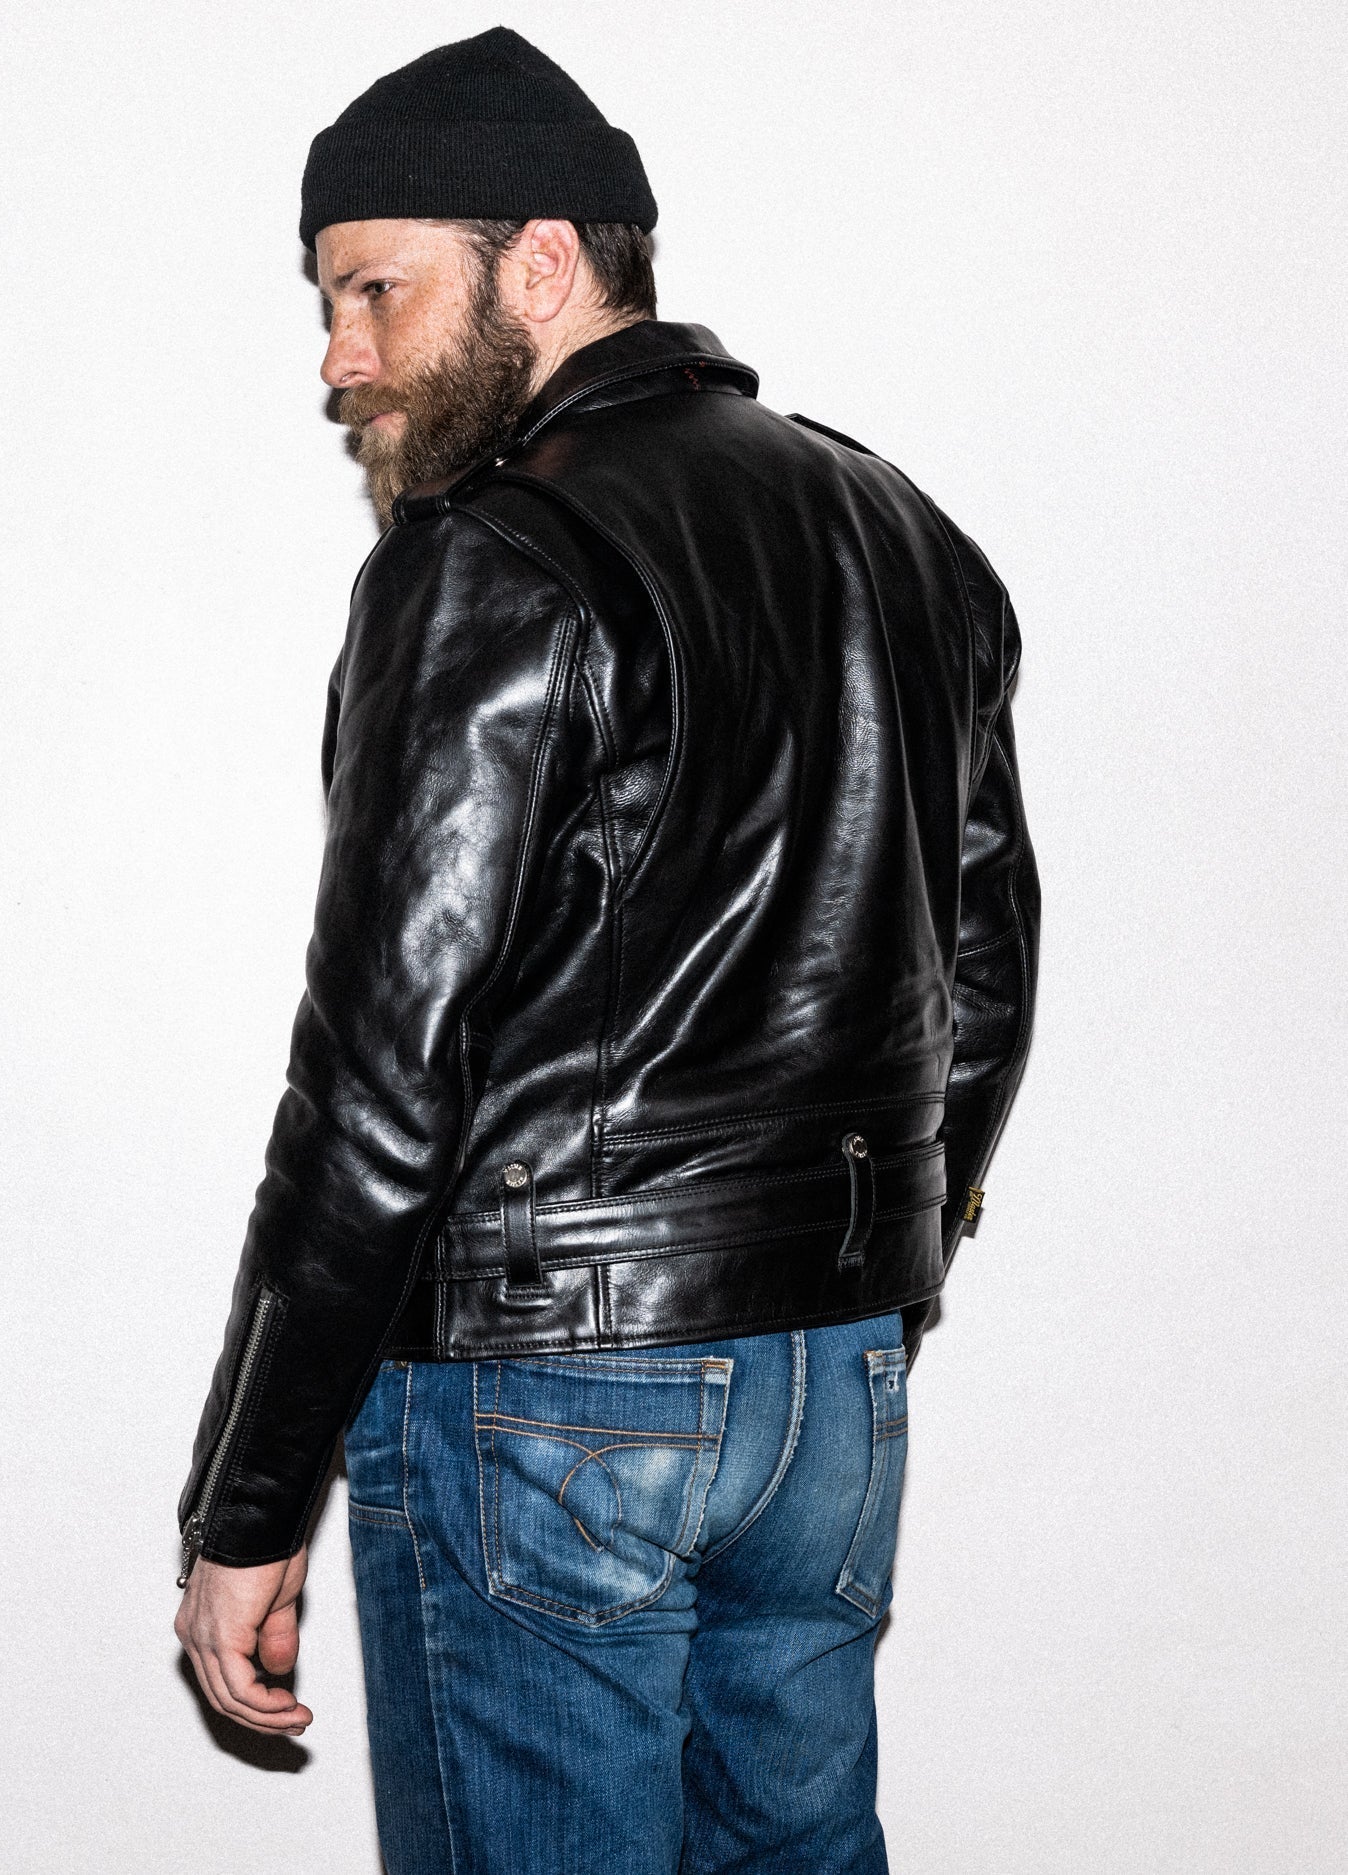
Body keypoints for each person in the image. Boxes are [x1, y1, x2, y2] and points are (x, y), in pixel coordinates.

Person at [174, 26, 1039, 1874]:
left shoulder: (492, 554)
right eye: (331, 304)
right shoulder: (903, 533)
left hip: (548, 1389)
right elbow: (986, 978)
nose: (340, 358)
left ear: (542, 263)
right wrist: (870, 1284)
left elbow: (382, 1077)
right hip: (827, 1386)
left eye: (375, 291)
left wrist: (247, 1503)